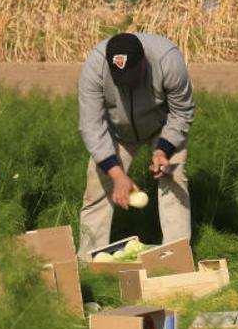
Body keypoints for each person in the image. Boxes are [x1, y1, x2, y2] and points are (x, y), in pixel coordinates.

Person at [77, 32, 195, 261]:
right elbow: (91, 126)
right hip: (117, 131)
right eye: (122, 80)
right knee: (98, 187)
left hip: (162, 127)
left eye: (133, 76)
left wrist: (164, 150)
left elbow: (182, 111)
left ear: (144, 61)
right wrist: (117, 174)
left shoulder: (167, 60)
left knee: (174, 177)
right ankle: (87, 264)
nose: (128, 84)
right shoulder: (95, 66)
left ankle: (175, 258)